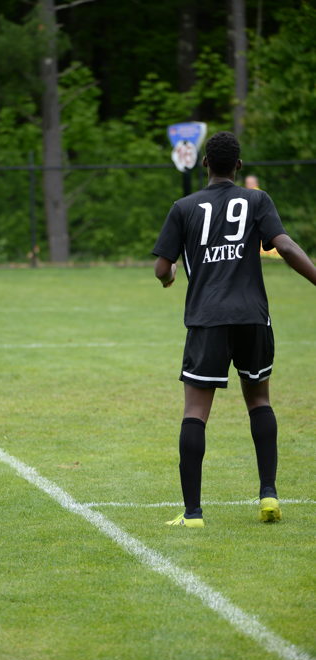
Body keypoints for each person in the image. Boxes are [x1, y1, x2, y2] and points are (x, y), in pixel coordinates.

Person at [152, 131, 316, 528]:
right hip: (252, 317)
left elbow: (162, 267)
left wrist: (169, 275)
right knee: (259, 400)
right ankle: (268, 494)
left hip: (207, 318)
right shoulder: (257, 200)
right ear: (239, 166)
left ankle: (193, 514)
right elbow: (286, 247)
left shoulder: (183, 207)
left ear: (205, 163)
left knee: (195, 412)